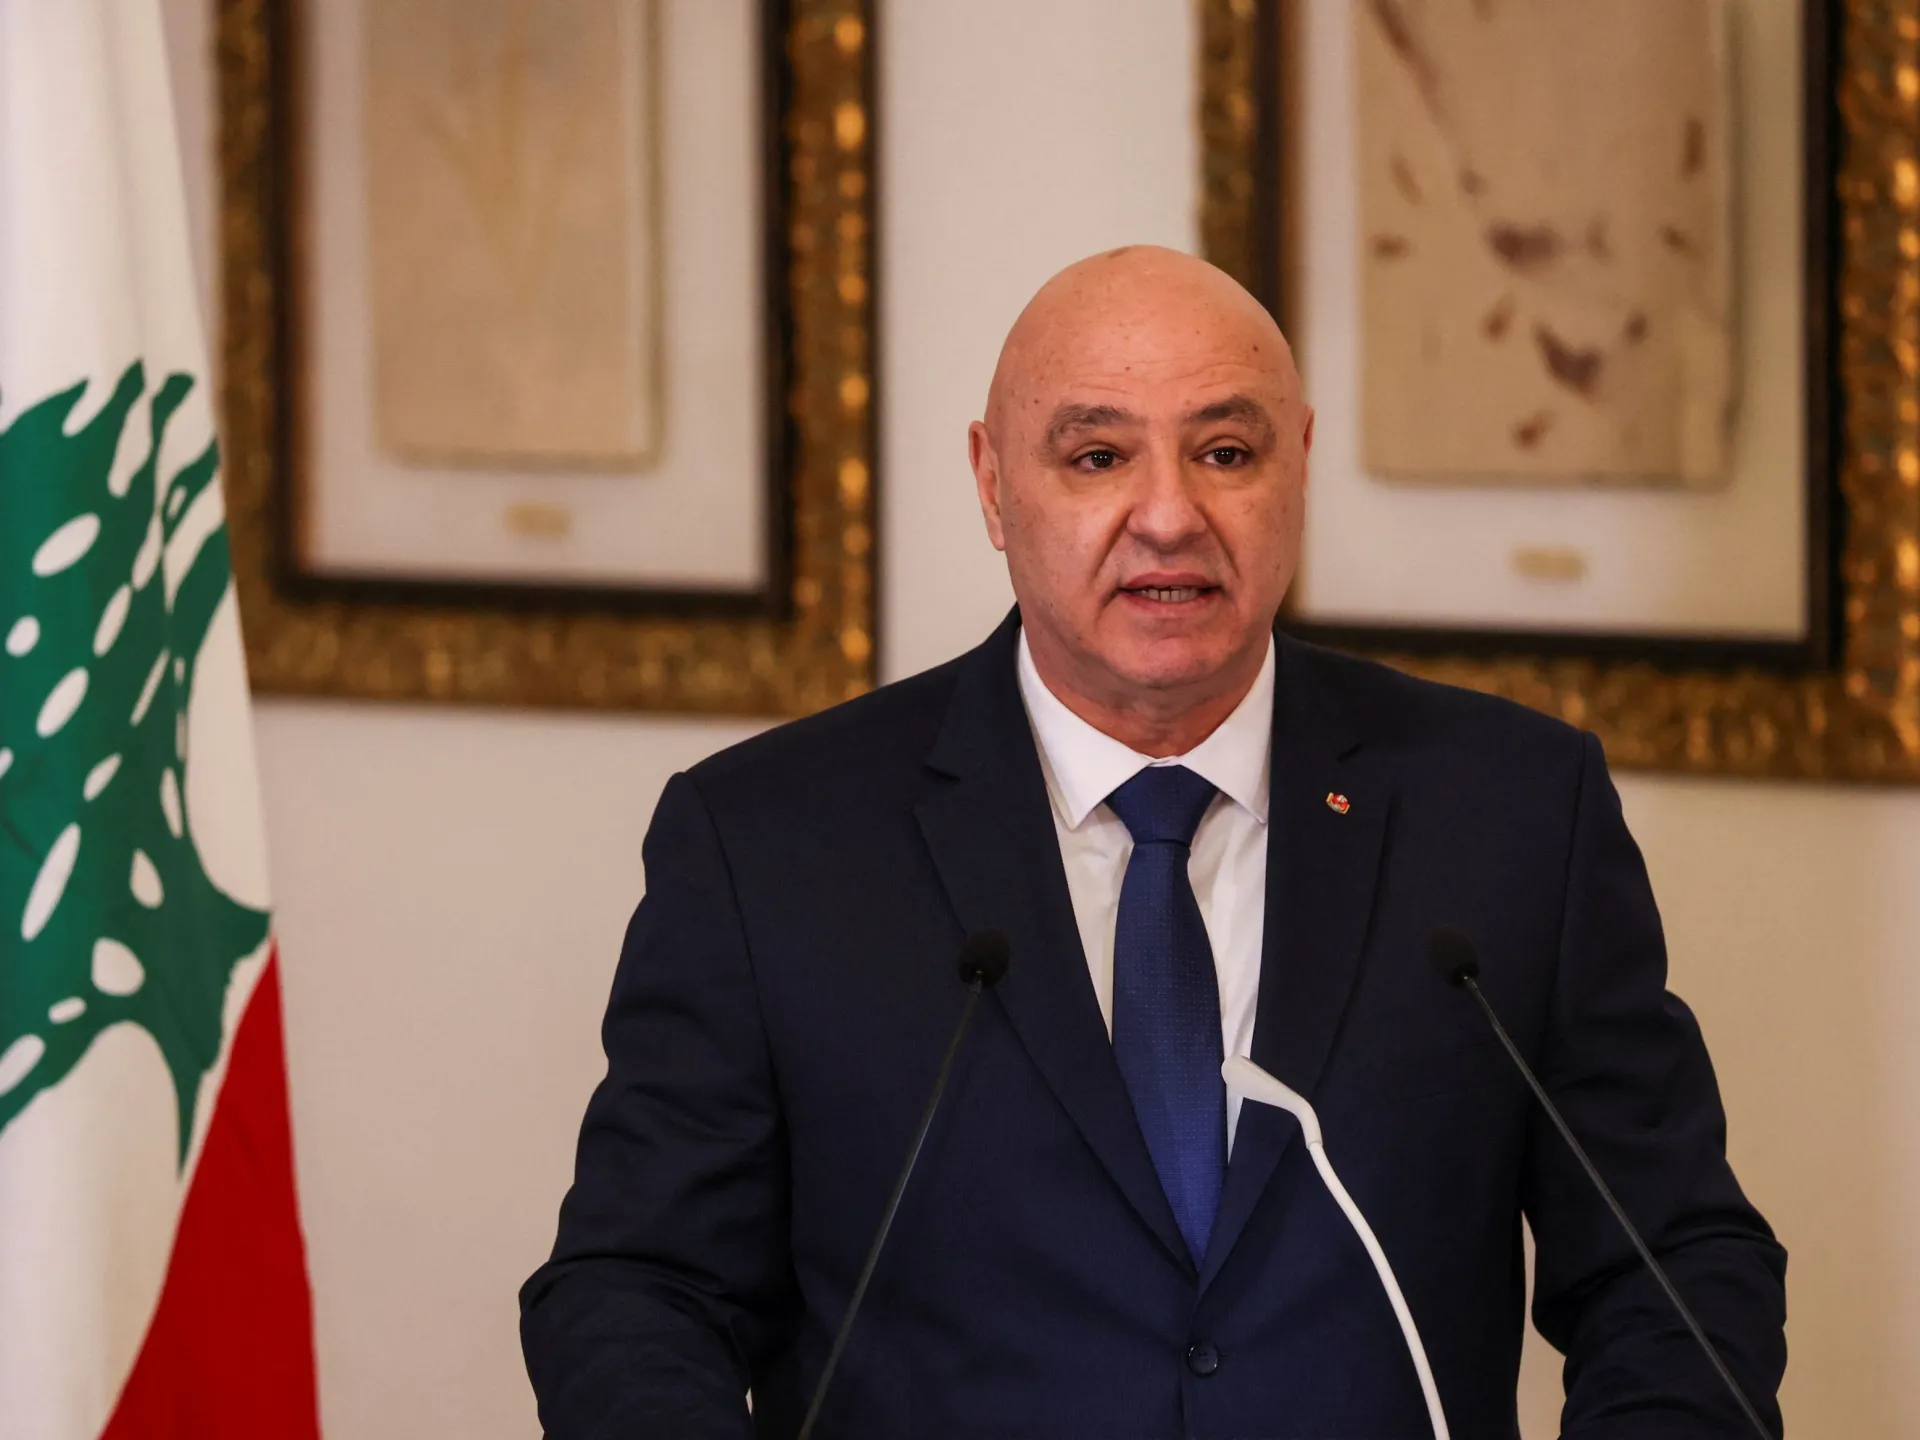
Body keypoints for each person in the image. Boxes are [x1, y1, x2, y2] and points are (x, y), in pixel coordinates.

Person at [519, 247, 1786, 1439]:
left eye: (1225, 452)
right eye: (1097, 457)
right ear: (992, 485)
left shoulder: (1512, 813)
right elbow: (640, 1290)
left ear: (1298, 467)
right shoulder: (770, 843)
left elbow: (1671, 1266)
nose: (1169, 516)